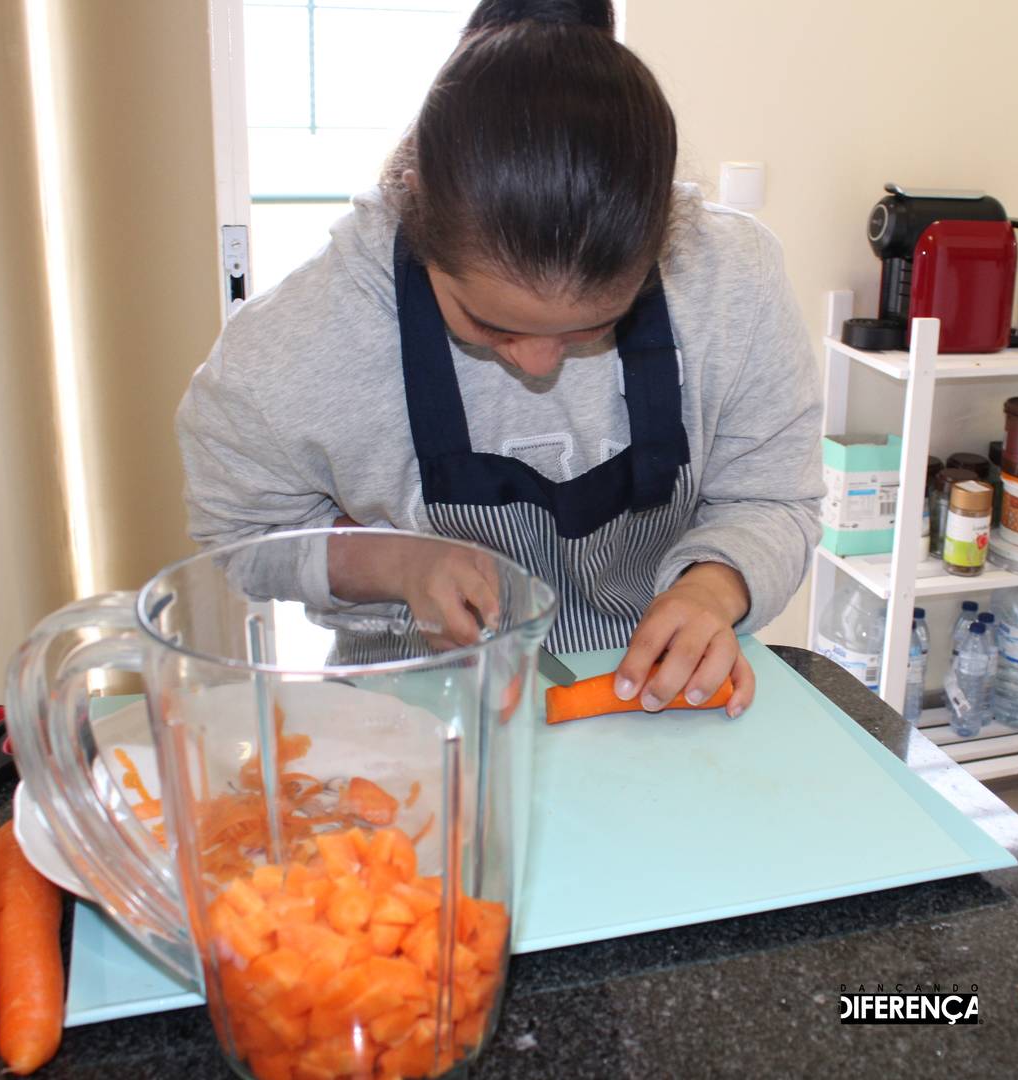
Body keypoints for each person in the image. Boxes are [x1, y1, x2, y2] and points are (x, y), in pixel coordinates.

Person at [177, 0, 821, 718]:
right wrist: (395, 563)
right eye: (491, 325)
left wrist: (713, 587)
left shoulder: (732, 280)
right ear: (418, 219)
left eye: (594, 326)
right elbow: (240, 537)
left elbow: (773, 498)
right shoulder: (295, 348)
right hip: (409, 714)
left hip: (662, 702)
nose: (541, 364)